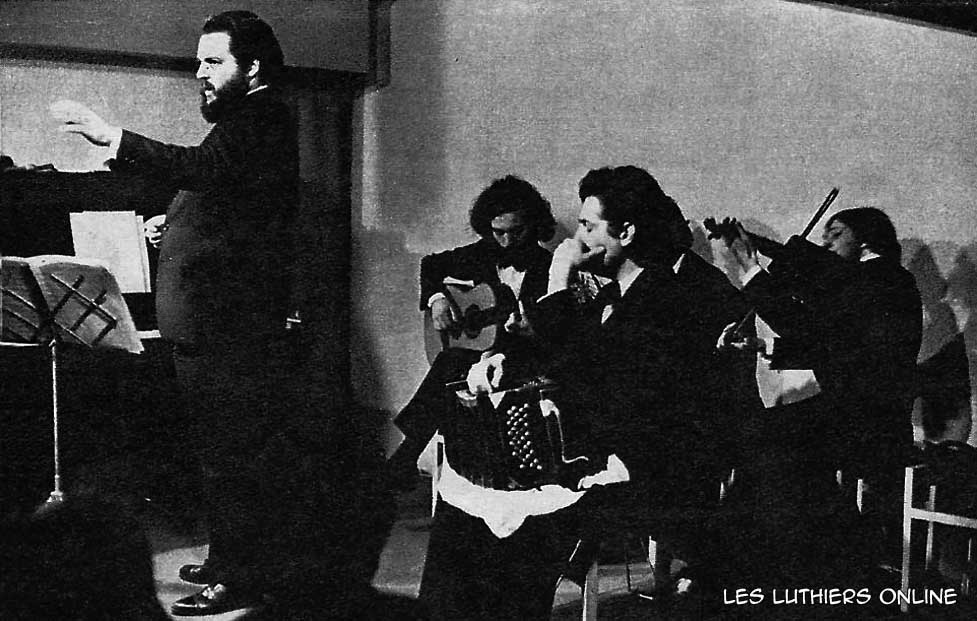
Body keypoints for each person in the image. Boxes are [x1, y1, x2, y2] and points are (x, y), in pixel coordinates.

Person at [53, 11, 299, 616]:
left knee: (233, 460)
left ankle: (240, 577)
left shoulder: (263, 116)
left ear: (253, 67)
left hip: (231, 332)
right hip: (211, 330)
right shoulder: (243, 124)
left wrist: (112, 137)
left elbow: (205, 170)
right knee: (218, 457)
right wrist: (179, 223)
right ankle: (226, 559)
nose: (201, 74)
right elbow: (227, 198)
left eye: (214, 61)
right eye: (198, 62)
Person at [419, 165, 728, 619]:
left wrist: (559, 279)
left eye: (588, 226)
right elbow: (568, 358)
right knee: (463, 501)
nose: (578, 238)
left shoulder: (667, 298)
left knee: (516, 524)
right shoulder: (611, 295)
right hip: (590, 449)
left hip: (643, 464)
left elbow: (601, 382)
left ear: (626, 232)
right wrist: (508, 361)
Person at [715, 207, 922, 585]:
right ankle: (759, 561)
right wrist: (763, 344)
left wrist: (751, 268)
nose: (825, 244)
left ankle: (763, 562)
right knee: (763, 437)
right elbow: (832, 343)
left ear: (866, 239)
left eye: (836, 234)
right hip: (853, 416)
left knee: (766, 439)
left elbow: (806, 325)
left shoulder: (881, 278)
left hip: (870, 425)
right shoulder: (872, 280)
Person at [386, 175, 557, 488]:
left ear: (534, 224)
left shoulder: (553, 267)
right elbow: (431, 265)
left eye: (517, 231)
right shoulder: (480, 253)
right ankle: (406, 459)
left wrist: (530, 330)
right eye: (498, 232)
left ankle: (405, 456)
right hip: (478, 360)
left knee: (451, 362)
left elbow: (559, 332)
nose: (507, 242)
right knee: (453, 362)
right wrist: (437, 300)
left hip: (522, 362)